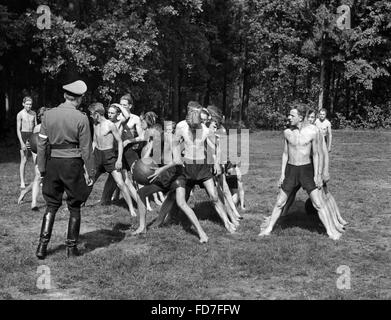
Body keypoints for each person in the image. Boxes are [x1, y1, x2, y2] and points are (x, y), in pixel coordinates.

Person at [149, 102, 237, 243]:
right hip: (186, 167)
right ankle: (160, 221)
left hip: (202, 167)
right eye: (193, 126)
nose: (196, 128)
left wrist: (215, 162)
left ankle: (227, 223)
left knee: (214, 196)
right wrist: (177, 157)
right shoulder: (181, 126)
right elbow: (176, 143)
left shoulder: (206, 129)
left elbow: (217, 145)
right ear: (189, 121)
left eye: (199, 125)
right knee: (173, 196)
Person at [258, 104, 342, 240]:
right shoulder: (287, 132)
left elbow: (316, 154)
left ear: (301, 117)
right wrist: (282, 175)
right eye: (289, 115)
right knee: (280, 202)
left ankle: (331, 232)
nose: (289, 117)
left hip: (306, 170)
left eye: (292, 115)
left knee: (318, 203)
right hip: (291, 170)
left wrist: (317, 175)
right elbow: (285, 154)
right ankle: (268, 229)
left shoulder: (313, 132)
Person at [36, 80, 95, 259]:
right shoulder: (81, 118)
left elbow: (41, 143)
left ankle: (42, 247)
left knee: (51, 205)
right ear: (79, 99)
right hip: (72, 164)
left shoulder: (48, 115)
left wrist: (42, 168)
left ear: (64, 96)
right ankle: (71, 249)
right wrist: (90, 172)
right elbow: (86, 149)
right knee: (75, 206)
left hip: (53, 163)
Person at [280, 109, 346, 232]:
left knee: (325, 195)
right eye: (309, 117)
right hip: (302, 168)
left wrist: (323, 172)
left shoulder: (316, 132)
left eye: (312, 117)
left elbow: (323, 154)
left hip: (315, 170)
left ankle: (337, 221)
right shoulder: (302, 131)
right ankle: (282, 215)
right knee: (291, 193)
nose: (310, 119)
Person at [88, 102, 137, 217]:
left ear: (97, 114)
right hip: (97, 155)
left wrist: (119, 159)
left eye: (91, 113)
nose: (90, 115)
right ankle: (80, 203)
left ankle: (131, 209)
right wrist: (90, 157)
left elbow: (120, 141)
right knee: (90, 181)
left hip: (109, 155)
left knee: (120, 183)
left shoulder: (110, 124)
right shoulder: (95, 124)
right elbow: (94, 141)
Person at [18, 107, 47, 210]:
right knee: (39, 177)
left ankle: (25, 191)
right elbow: (33, 144)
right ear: (40, 117)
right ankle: (34, 204)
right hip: (39, 156)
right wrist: (36, 161)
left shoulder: (51, 126)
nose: (45, 118)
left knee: (44, 178)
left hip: (49, 155)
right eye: (43, 116)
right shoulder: (37, 128)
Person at [16, 96, 37, 188]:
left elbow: (36, 127)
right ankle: (22, 182)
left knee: (36, 160)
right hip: (24, 136)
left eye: (30, 104)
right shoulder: (20, 114)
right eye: (27, 104)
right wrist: (22, 142)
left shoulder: (34, 113)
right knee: (24, 160)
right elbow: (18, 129)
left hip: (32, 136)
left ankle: (38, 180)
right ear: (23, 104)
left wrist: (37, 139)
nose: (29, 106)